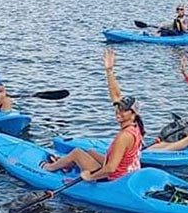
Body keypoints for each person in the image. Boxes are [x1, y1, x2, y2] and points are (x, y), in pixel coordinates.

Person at [41, 48, 145, 181]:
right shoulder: (136, 125)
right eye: (119, 108)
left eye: (124, 110)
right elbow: (116, 96)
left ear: (133, 114)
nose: (119, 112)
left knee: (77, 153)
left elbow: (110, 168)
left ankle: (49, 168)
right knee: (90, 152)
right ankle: (66, 164)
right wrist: (109, 71)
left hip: (113, 178)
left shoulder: (124, 136)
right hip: (126, 172)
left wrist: (90, 177)